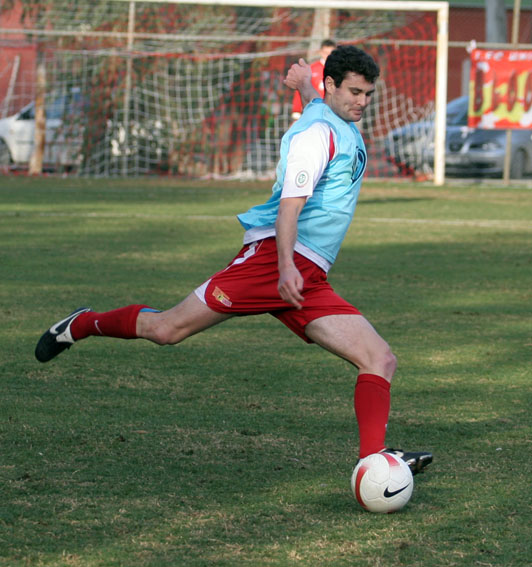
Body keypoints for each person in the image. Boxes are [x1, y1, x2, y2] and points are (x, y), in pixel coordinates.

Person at [35, 45, 432, 475]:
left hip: (308, 275)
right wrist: (285, 268)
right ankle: (82, 324)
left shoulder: (329, 112)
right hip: (274, 262)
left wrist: (304, 83)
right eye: (355, 92)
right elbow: (289, 209)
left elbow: (314, 102)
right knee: (167, 330)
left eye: (368, 94)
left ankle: (373, 462)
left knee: (380, 359)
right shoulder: (315, 136)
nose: (363, 102)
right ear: (333, 85)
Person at [291, 39, 336, 121]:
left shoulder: (340, 70)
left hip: (334, 111)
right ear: (321, 52)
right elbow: (301, 88)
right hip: (315, 111)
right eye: (326, 53)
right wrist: (296, 110)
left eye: (331, 53)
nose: (328, 56)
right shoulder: (312, 69)